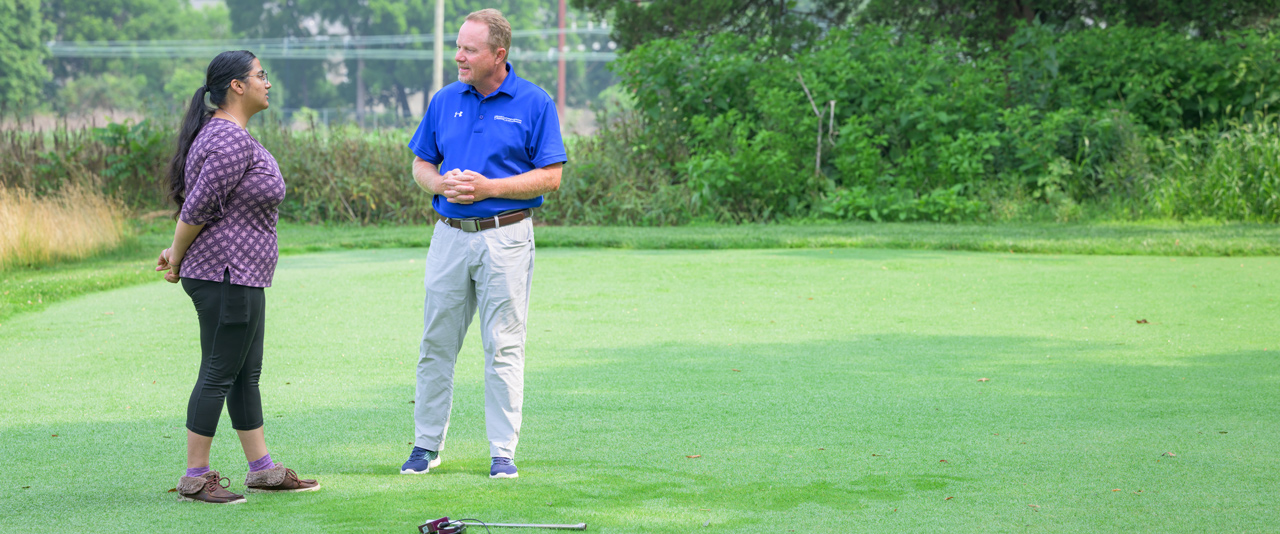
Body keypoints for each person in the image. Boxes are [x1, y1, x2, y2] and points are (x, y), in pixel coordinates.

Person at [402, 8, 566, 479]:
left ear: (499, 54)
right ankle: (426, 446)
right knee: (436, 344)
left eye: (469, 50)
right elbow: (421, 165)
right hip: (448, 237)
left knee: (503, 347)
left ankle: (502, 452)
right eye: (458, 46)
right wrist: (439, 184)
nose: (458, 57)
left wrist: (489, 187)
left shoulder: (535, 103)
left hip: (507, 237)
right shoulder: (445, 99)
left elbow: (551, 177)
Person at [156, 50, 319, 504]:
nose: (269, 82)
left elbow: (211, 211)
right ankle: (195, 476)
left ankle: (262, 469)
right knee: (219, 373)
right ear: (237, 86)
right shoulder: (229, 140)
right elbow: (198, 209)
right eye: (261, 75)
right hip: (226, 274)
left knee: (246, 374)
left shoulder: (233, 137)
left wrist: (177, 250)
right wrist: (177, 258)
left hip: (242, 274)